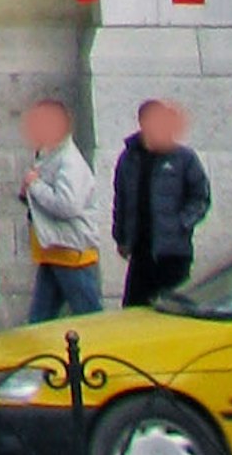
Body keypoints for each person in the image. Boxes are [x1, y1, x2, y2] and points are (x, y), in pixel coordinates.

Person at [17, 93, 106, 322]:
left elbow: (67, 205)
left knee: (89, 320)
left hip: (72, 254)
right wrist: (28, 191)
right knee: (39, 323)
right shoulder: (49, 156)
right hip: (53, 252)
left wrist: (34, 185)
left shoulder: (69, 160)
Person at [114, 99, 213, 305]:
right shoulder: (129, 158)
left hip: (173, 252)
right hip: (141, 253)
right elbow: (121, 200)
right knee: (134, 310)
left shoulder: (184, 158)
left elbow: (200, 197)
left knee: (175, 309)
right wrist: (121, 237)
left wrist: (181, 224)